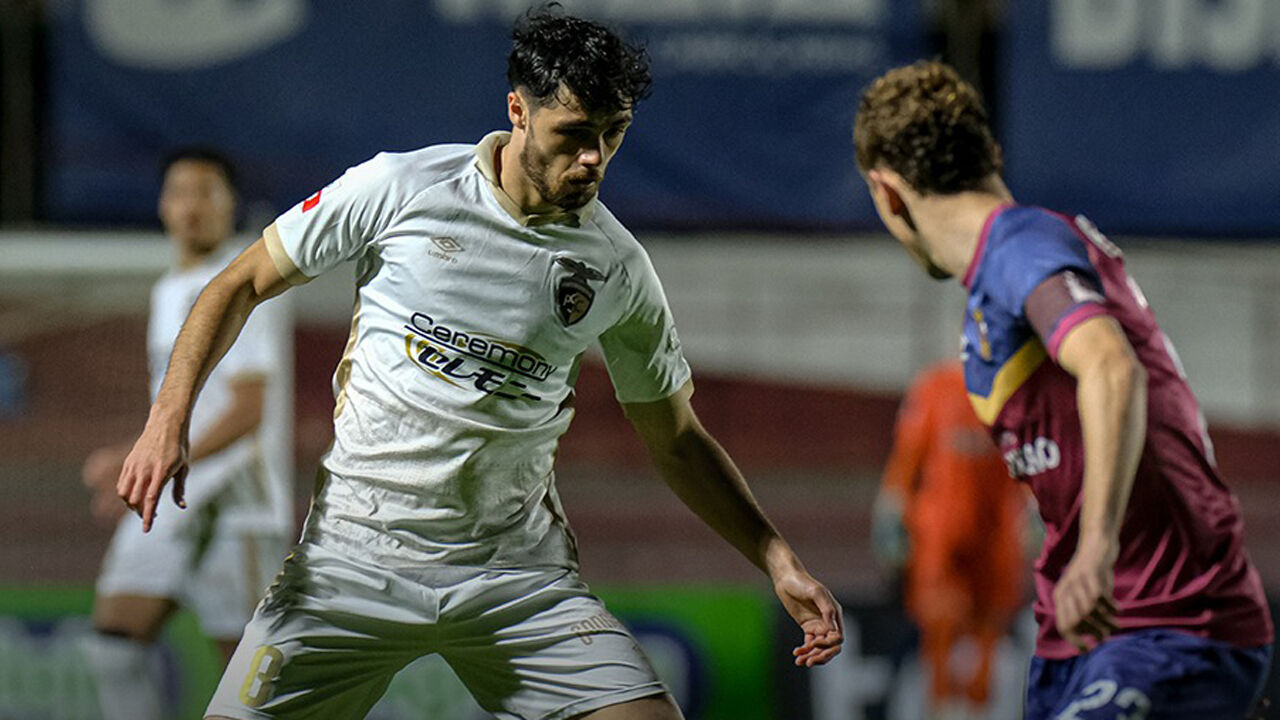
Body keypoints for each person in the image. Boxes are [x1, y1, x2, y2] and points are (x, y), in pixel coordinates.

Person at [115, 7, 844, 720]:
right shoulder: (399, 189)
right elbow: (236, 282)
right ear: (517, 111)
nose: (594, 157)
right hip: (351, 563)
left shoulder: (618, 267)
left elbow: (678, 438)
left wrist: (776, 556)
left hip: (517, 578)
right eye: (574, 134)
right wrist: (167, 420)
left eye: (613, 135)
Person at [853, 59, 1273, 719]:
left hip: (1167, 621)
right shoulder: (1005, 281)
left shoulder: (1021, 246)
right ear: (991, 151)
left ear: (886, 193)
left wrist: (1097, 551)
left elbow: (1112, 366)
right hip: (1080, 638)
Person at [81, 147, 294, 720]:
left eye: (207, 192)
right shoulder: (167, 290)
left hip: (235, 502)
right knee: (114, 645)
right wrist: (137, 457)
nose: (192, 206)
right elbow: (177, 409)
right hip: (170, 498)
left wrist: (160, 460)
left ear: (231, 205)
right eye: (180, 192)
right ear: (162, 206)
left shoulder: (243, 282)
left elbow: (249, 410)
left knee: (252, 681)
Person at [873, 360, 1027, 719]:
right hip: (941, 532)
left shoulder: (1014, 390)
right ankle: (942, 710)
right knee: (941, 629)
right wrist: (890, 510)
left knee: (988, 630)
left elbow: (1028, 462)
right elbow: (907, 457)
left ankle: (977, 710)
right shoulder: (935, 387)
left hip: (995, 533)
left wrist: (1034, 510)